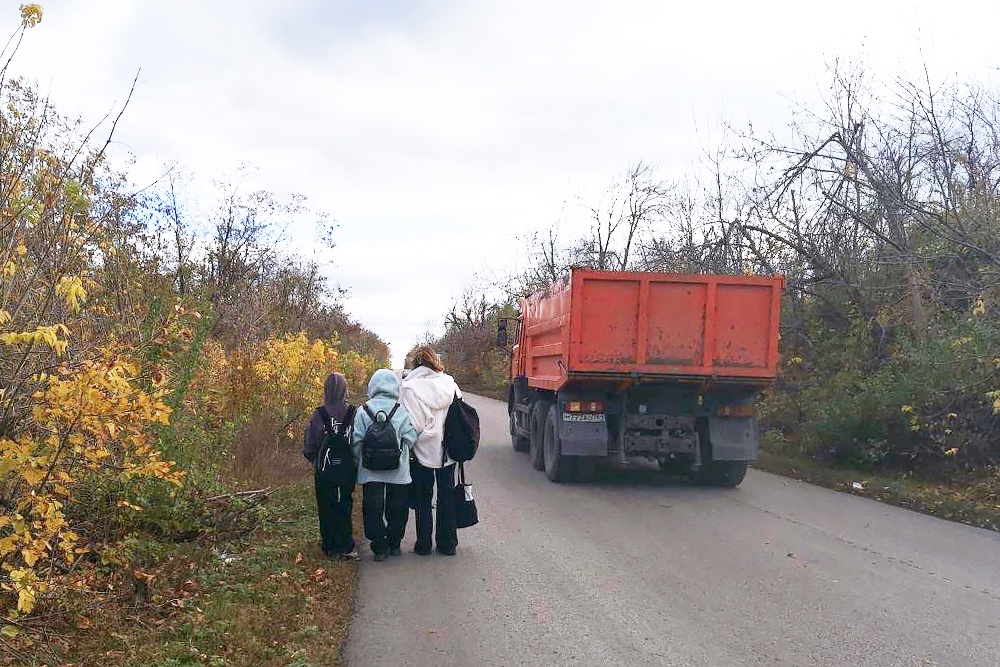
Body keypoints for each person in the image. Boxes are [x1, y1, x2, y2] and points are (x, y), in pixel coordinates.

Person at [400, 345, 462, 556]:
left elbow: (415, 424)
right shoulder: (450, 383)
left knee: (423, 498)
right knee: (447, 495)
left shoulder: (410, 388)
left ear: (415, 363)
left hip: (422, 451)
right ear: (435, 361)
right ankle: (448, 544)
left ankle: (424, 544)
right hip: (448, 449)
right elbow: (459, 413)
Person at [352, 368, 417, 562]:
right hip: (398, 470)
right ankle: (394, 544)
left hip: (370, 470)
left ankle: (379, 547)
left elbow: (356, 441)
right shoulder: (401, 411)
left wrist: (360, 462)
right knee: (398, 507)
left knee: (373, 509)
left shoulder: (362, 411)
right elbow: (410, 438)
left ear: (372, 386)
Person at [303, 372, 357, 559]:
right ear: (345, 389)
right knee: (345, 502)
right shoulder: (353, 412)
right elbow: (358, 440)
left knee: (326, 505)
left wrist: (317, 462)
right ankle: (345, 544)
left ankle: (329, 546)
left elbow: (310, 444)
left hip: (324, 469)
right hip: (347, 468)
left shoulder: (319, 414)